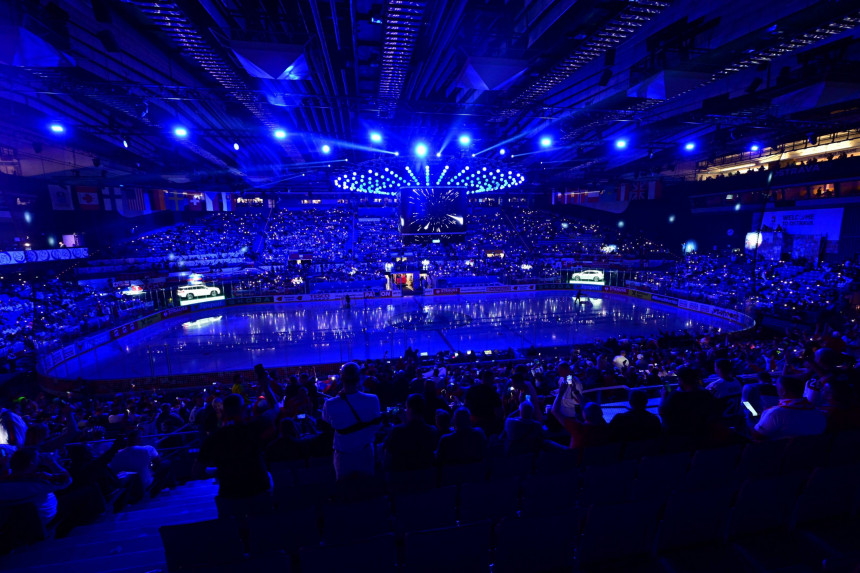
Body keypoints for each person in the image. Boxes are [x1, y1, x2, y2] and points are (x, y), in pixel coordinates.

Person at [196, 393, 274, 499]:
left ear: (223, 411)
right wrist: (266, 387)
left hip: (230, 493)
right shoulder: (255, 427)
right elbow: (274, 410)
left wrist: (219, 471)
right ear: (244, 409)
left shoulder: (213, 438)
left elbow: (197, 470)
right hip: (259, 489)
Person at [322, 362, 382, 480]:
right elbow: (377, 424)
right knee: (367, 486)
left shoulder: (330, 404)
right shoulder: (373, 399)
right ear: (359, 378)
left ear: (341, 379)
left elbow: (327, 421)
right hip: (365, 452)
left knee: (345, 488)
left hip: (343, 455)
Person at [0, 447, 71, 525]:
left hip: (14, 516)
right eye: (39, 457)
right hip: (41, 519)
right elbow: (67, 481)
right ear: (32, 463)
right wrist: (52, 462)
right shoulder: (38, 482)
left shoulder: (5, 479)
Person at [752, 376, 827, 440]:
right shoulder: (819, 413)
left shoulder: (775, 414)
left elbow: (756, 437)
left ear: (783, 391)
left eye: (777, 387)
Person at [659, 366, 720, 439]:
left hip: (681, 436)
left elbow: (662, 412)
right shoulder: (705, 394)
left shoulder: (675, 396)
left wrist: (663, 397)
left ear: (681, 380)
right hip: (704, 433)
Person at [383, 394, 438, 472]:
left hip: (401, 477)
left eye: (406, 408)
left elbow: (386, 462)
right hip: (425, 476)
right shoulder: (432, 431)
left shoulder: (397, 431)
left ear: (409, 409)